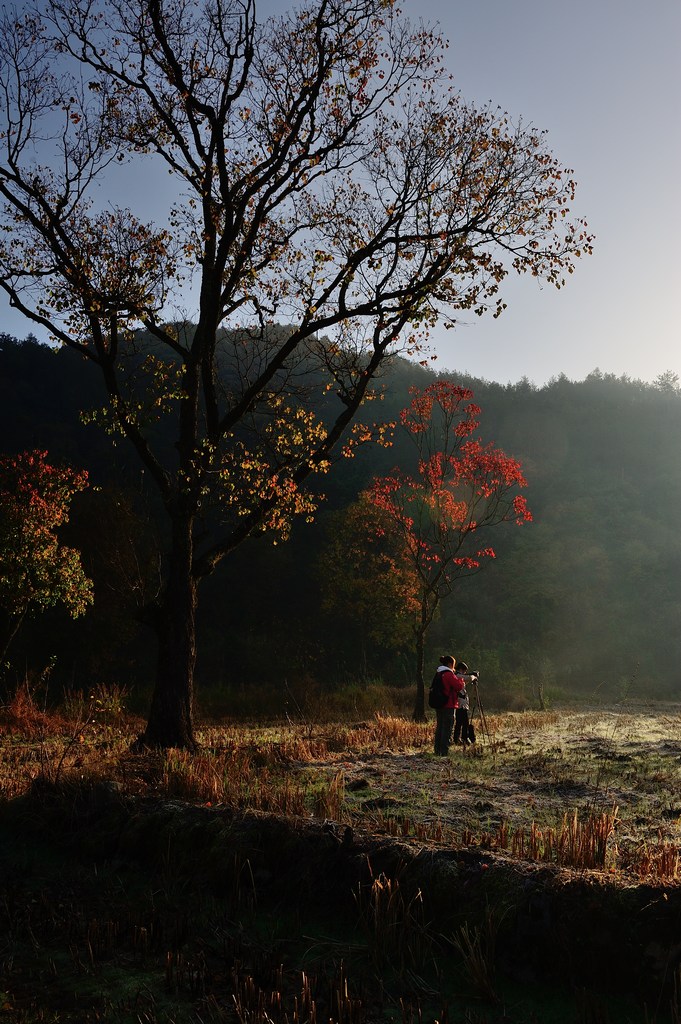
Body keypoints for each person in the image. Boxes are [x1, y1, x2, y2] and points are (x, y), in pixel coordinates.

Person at [433, 655, 464, 756]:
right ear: (450, 664)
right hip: (449, 704)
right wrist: (462, 679)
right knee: (447, 729)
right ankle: (444, 752)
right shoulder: (448, 674)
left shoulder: (438, 673)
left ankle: (437, 750)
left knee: (440, 728)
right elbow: (459, 686)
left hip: (439, 704)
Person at [453, 661, 479, 747]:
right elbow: (468, 678)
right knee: (464, 723)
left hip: (462, 703)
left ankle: (458, 739)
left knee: (461, 722)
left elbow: (464, 682)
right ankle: (462, 738)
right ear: (461, 669)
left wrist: (472, 677)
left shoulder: (459, 676)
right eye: (464, 671)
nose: (465, 672)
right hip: (460, 704)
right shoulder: (457, 675)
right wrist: (473, 676)